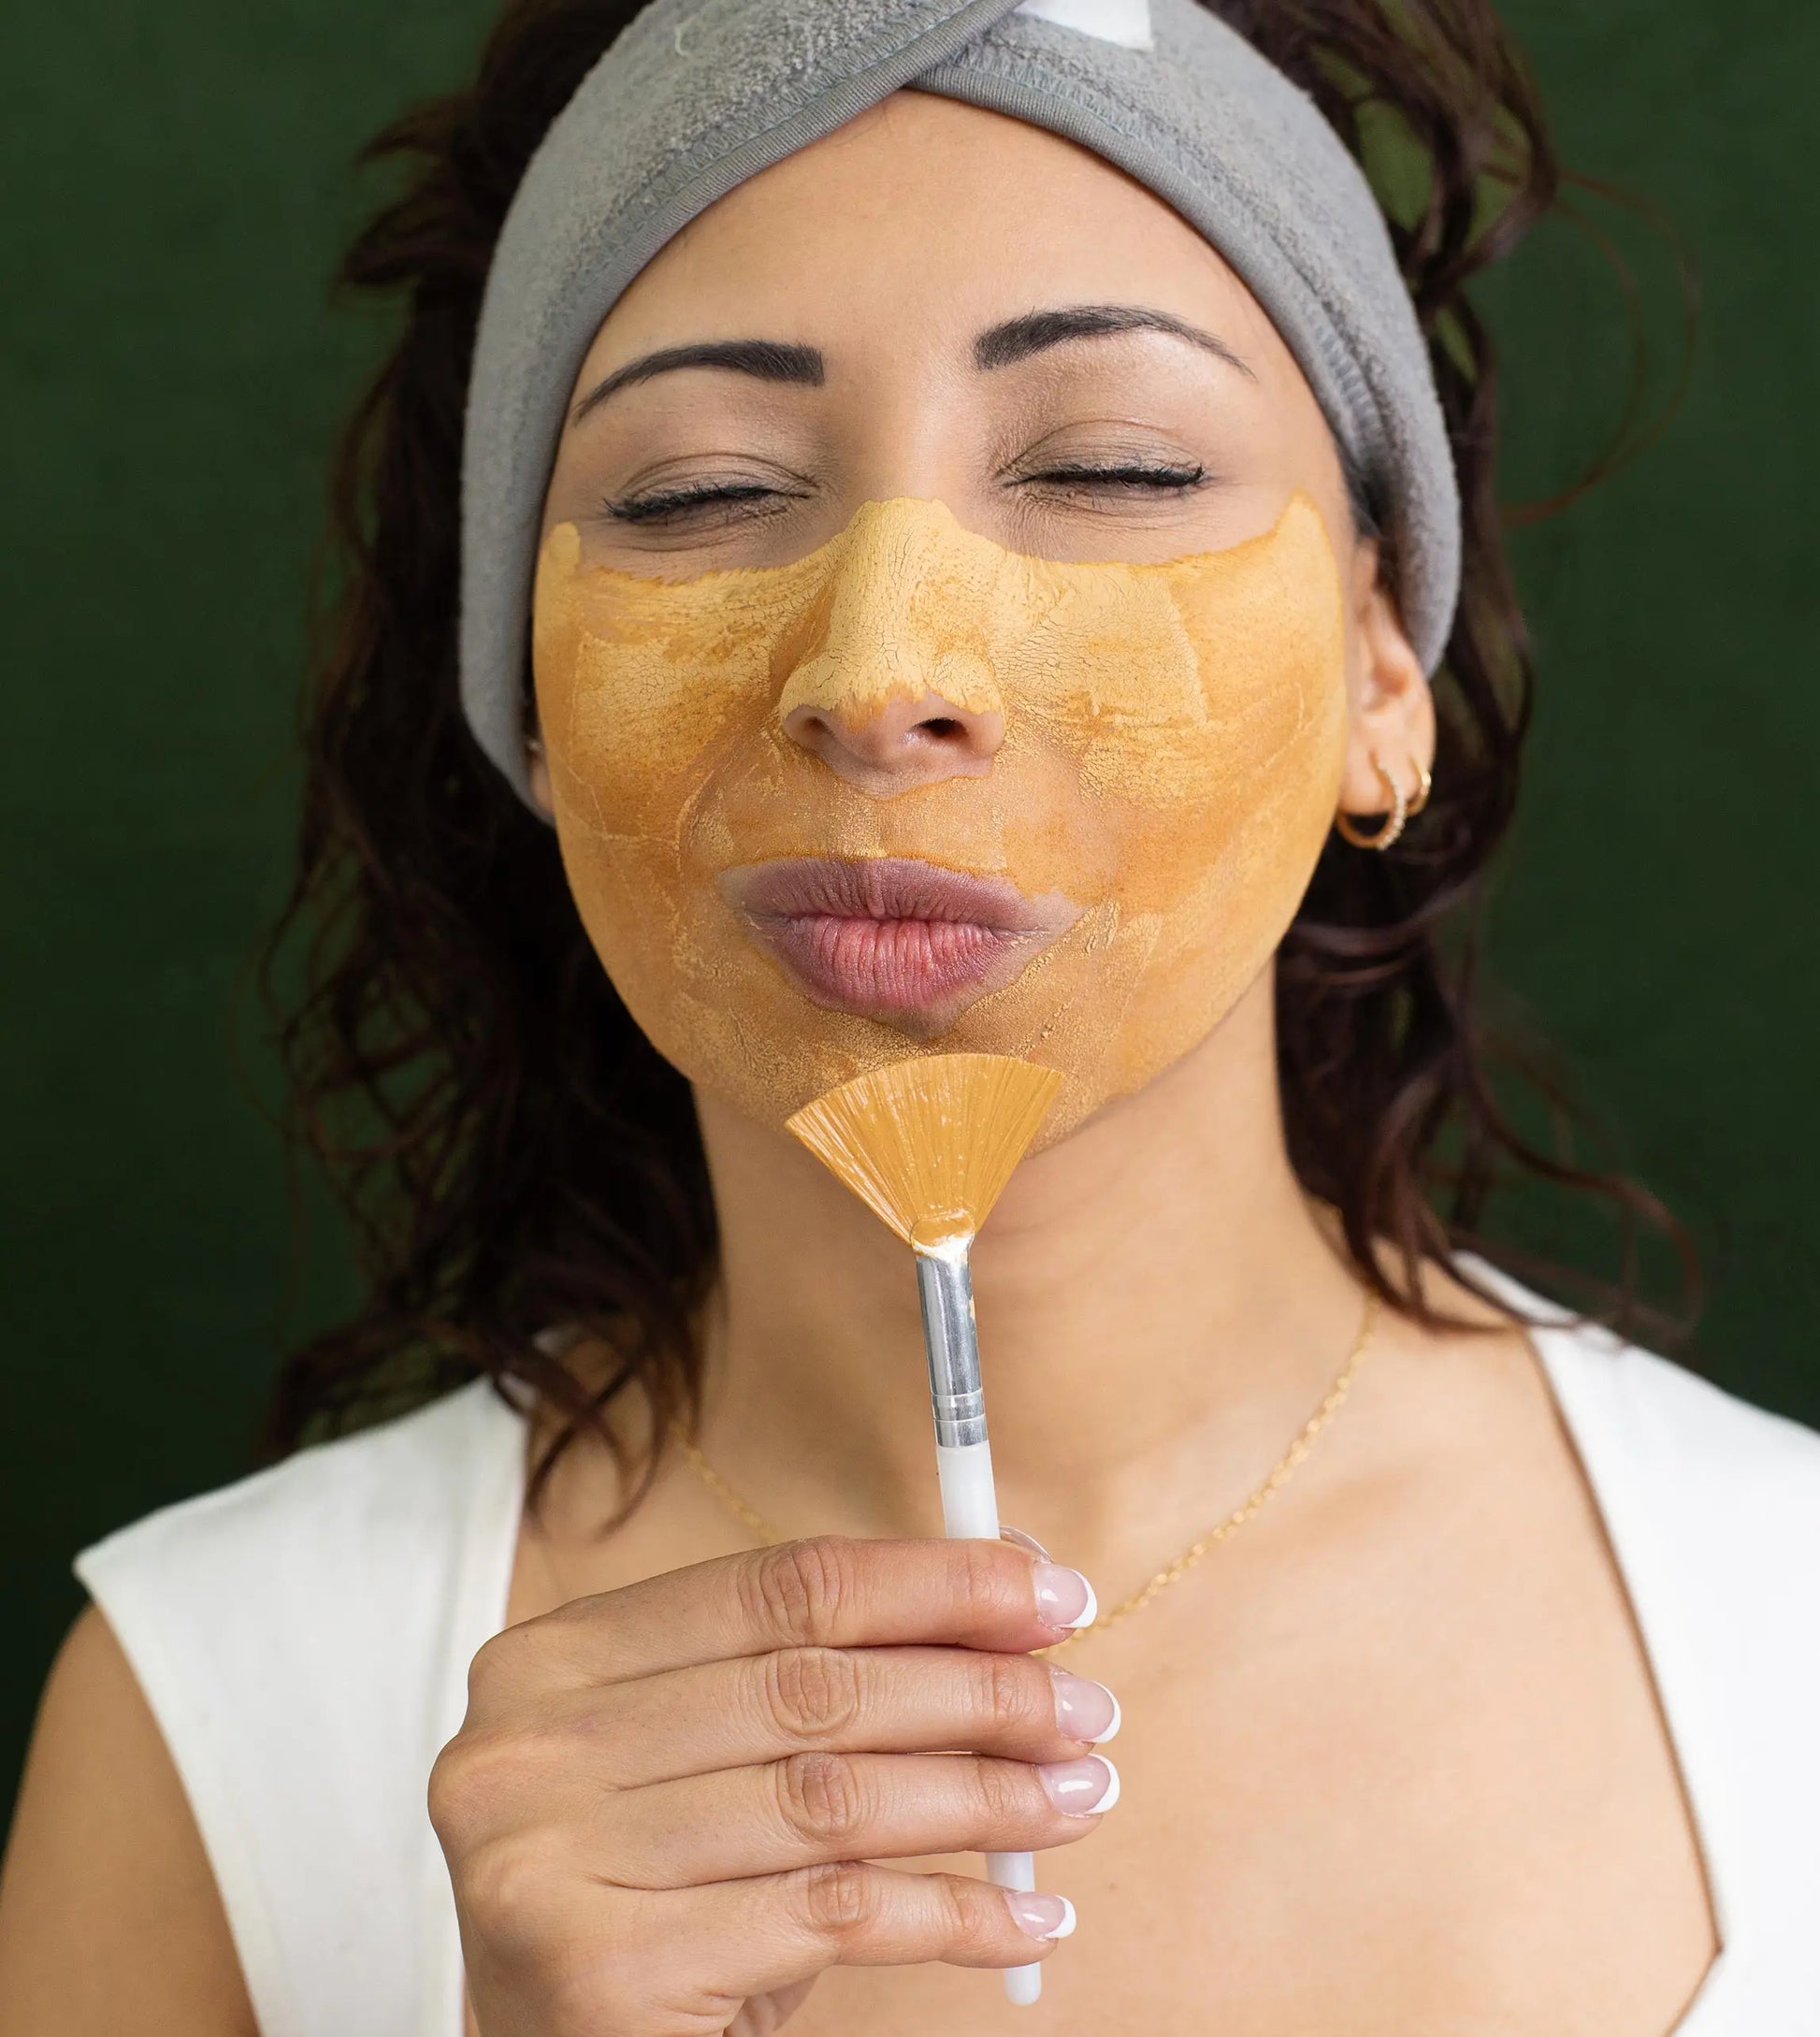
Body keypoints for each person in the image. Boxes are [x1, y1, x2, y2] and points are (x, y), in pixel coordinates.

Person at [2, 2, 1816, 2033]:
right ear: (534, 706)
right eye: (696, 495)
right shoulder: (212, 1720)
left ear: (1382, 670)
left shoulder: (1795, 1625)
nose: (879, 672)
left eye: (1112, 466)